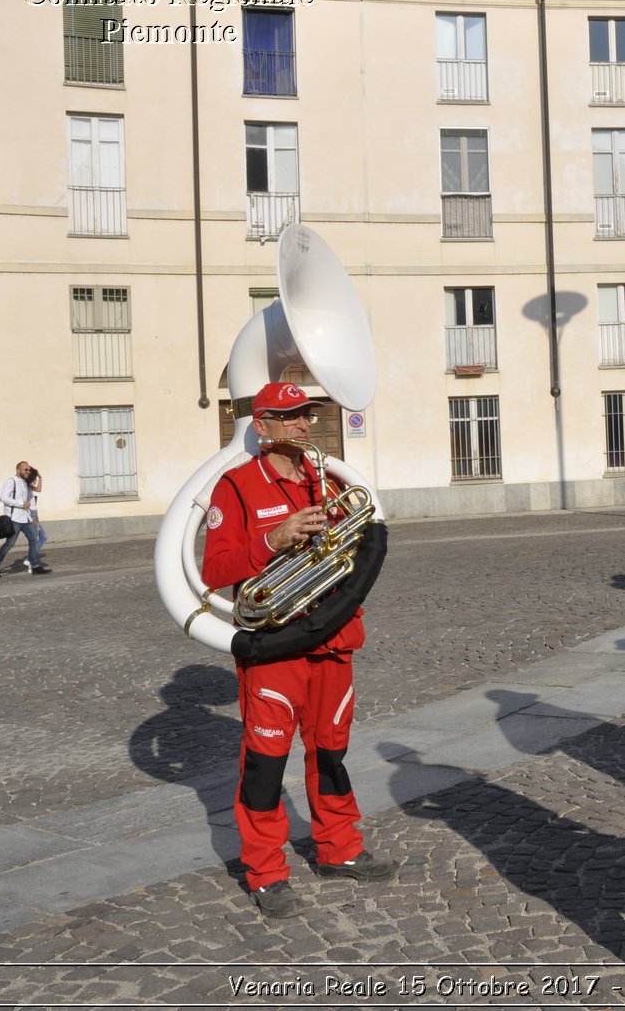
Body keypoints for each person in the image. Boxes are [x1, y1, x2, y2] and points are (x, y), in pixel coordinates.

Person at [201, 382, 398, 919]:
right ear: (259, 425)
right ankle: (265, 872)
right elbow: (214, 570)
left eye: (306, 415)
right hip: (275, 647)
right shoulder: (235, 487)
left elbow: (356, 549)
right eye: (287, 416)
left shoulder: (328, 482)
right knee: (265, 766)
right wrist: (275, 539)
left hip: (335, 640)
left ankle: (340, 849)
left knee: (331, 754)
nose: (301, 424)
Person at [0, 461, 50, 577]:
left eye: (29, 470)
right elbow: (4, 498)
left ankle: (35, 566)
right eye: (25, 470)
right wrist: (21, 504)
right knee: (10, 543)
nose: (28, 472)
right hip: (14, 519)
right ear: (18, 470)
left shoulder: (25, 483)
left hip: (26, 518)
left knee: (34, 540)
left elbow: (30, 500)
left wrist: (31, 517)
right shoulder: (11, 482)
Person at [27, 465, 48, 549]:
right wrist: (31, 517)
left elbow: (38, 490)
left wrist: (40, 478)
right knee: (41, 537)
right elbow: (25, 503)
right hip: (31, 513)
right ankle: (30, 558)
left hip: (33, 512)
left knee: (40, 537)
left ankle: (31, 557)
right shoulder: (25, 486)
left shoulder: (27, 485)